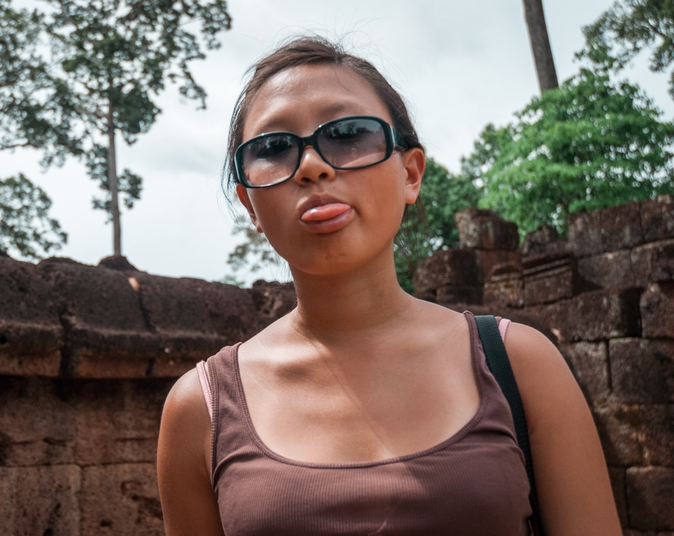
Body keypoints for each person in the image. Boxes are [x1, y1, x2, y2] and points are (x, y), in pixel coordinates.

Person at [157, 36, 621, 536]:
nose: (313, 165)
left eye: (350, 133)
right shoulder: (199, 409)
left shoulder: (521, 365)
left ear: (410, 174)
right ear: (250, 204)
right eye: (273, 147)